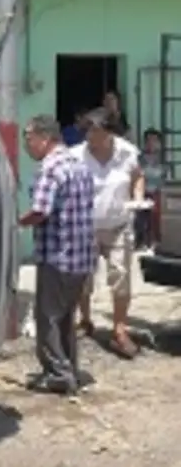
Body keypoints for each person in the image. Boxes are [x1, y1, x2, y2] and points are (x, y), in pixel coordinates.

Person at [20, 114, 95, 395]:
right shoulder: (79, 164)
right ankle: (69, 368)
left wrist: (16, 223)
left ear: (44, 138)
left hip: (57, 256)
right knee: (65, 317)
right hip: (80, 258)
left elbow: (40, 210)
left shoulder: (50, 169)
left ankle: (57, 374)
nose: (27, 146)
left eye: (29, 139)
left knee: (48, 318)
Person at [73, 108, 145, 359]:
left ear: (109, 131)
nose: (90, 136)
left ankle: (119, 330)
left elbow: (137, 176)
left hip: (118, 226)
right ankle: (85, 321)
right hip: (85, 227)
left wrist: (137, 198)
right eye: (88, 130)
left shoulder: (127, 152)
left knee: (121, 278)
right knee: (83, 278)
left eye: (96, 131)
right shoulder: (77, 155)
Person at [137, 128, 166, 250]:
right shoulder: (139, 157)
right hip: (143, 191)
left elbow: (164, 175)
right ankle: (143, 242)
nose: (152, 143)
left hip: (158, 192)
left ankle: (156, 242)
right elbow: (140, 174)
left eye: (155, 140)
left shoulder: (164, 158)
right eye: (149, 140)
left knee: (157, 219)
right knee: (143, 220)